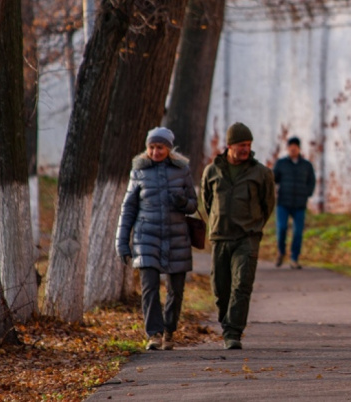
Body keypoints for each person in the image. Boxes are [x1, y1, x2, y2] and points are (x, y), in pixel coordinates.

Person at [116, 127, 198, 351]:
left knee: (176, 290)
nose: (155, 151)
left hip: (177, 238)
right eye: (151, 147)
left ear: (169, 149)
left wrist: (182, 202)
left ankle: (169, 331)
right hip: (146, 238)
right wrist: (122, 241)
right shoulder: (139, 171)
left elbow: (193, 204)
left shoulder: (182, 170)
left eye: (159, 147)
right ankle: (154, 334)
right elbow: (128, 208)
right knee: (149, 288)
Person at [202, 122, 275, 350]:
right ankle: (227, 322)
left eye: (249, 145)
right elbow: (207, 201)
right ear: (229, 145)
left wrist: (253, 225)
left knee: (242, 284)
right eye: (241, 145)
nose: (246, 149)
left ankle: (233, 332)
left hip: (247, 237)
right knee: (220, 287)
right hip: (220, 237)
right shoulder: (212, 170)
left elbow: (268, 204)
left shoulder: (260, 172)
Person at [273, 137, 316, 269]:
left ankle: (294, 258)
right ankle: (281, 251)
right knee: (281, 229)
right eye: (290, 147)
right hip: (283, 203)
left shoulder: (306, 165)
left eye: (295, 147)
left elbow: (311, 182)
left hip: (299, 205)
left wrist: (306, 193)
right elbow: (274, 179)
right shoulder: (281, 164)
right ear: (287, 148)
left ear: (299, 148)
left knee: (298, 232)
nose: (293, 149)